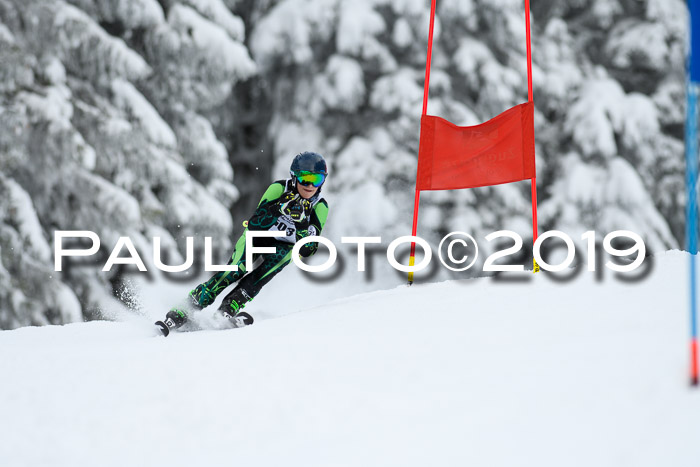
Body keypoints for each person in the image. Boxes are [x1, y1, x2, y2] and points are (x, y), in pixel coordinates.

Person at [155, 151, 329, 336]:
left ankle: (228, 309)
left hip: (285, 246)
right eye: (305, 179)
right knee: (235, 270)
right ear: (294, 178)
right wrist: (278, 208)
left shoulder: (320, 206)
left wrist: (302, 223)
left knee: (259, 278)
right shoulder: (279, 188)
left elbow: (309, 249)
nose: (310, 186)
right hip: (260, 236)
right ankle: (186, 308)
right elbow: (255, 225)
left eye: (316, 180)